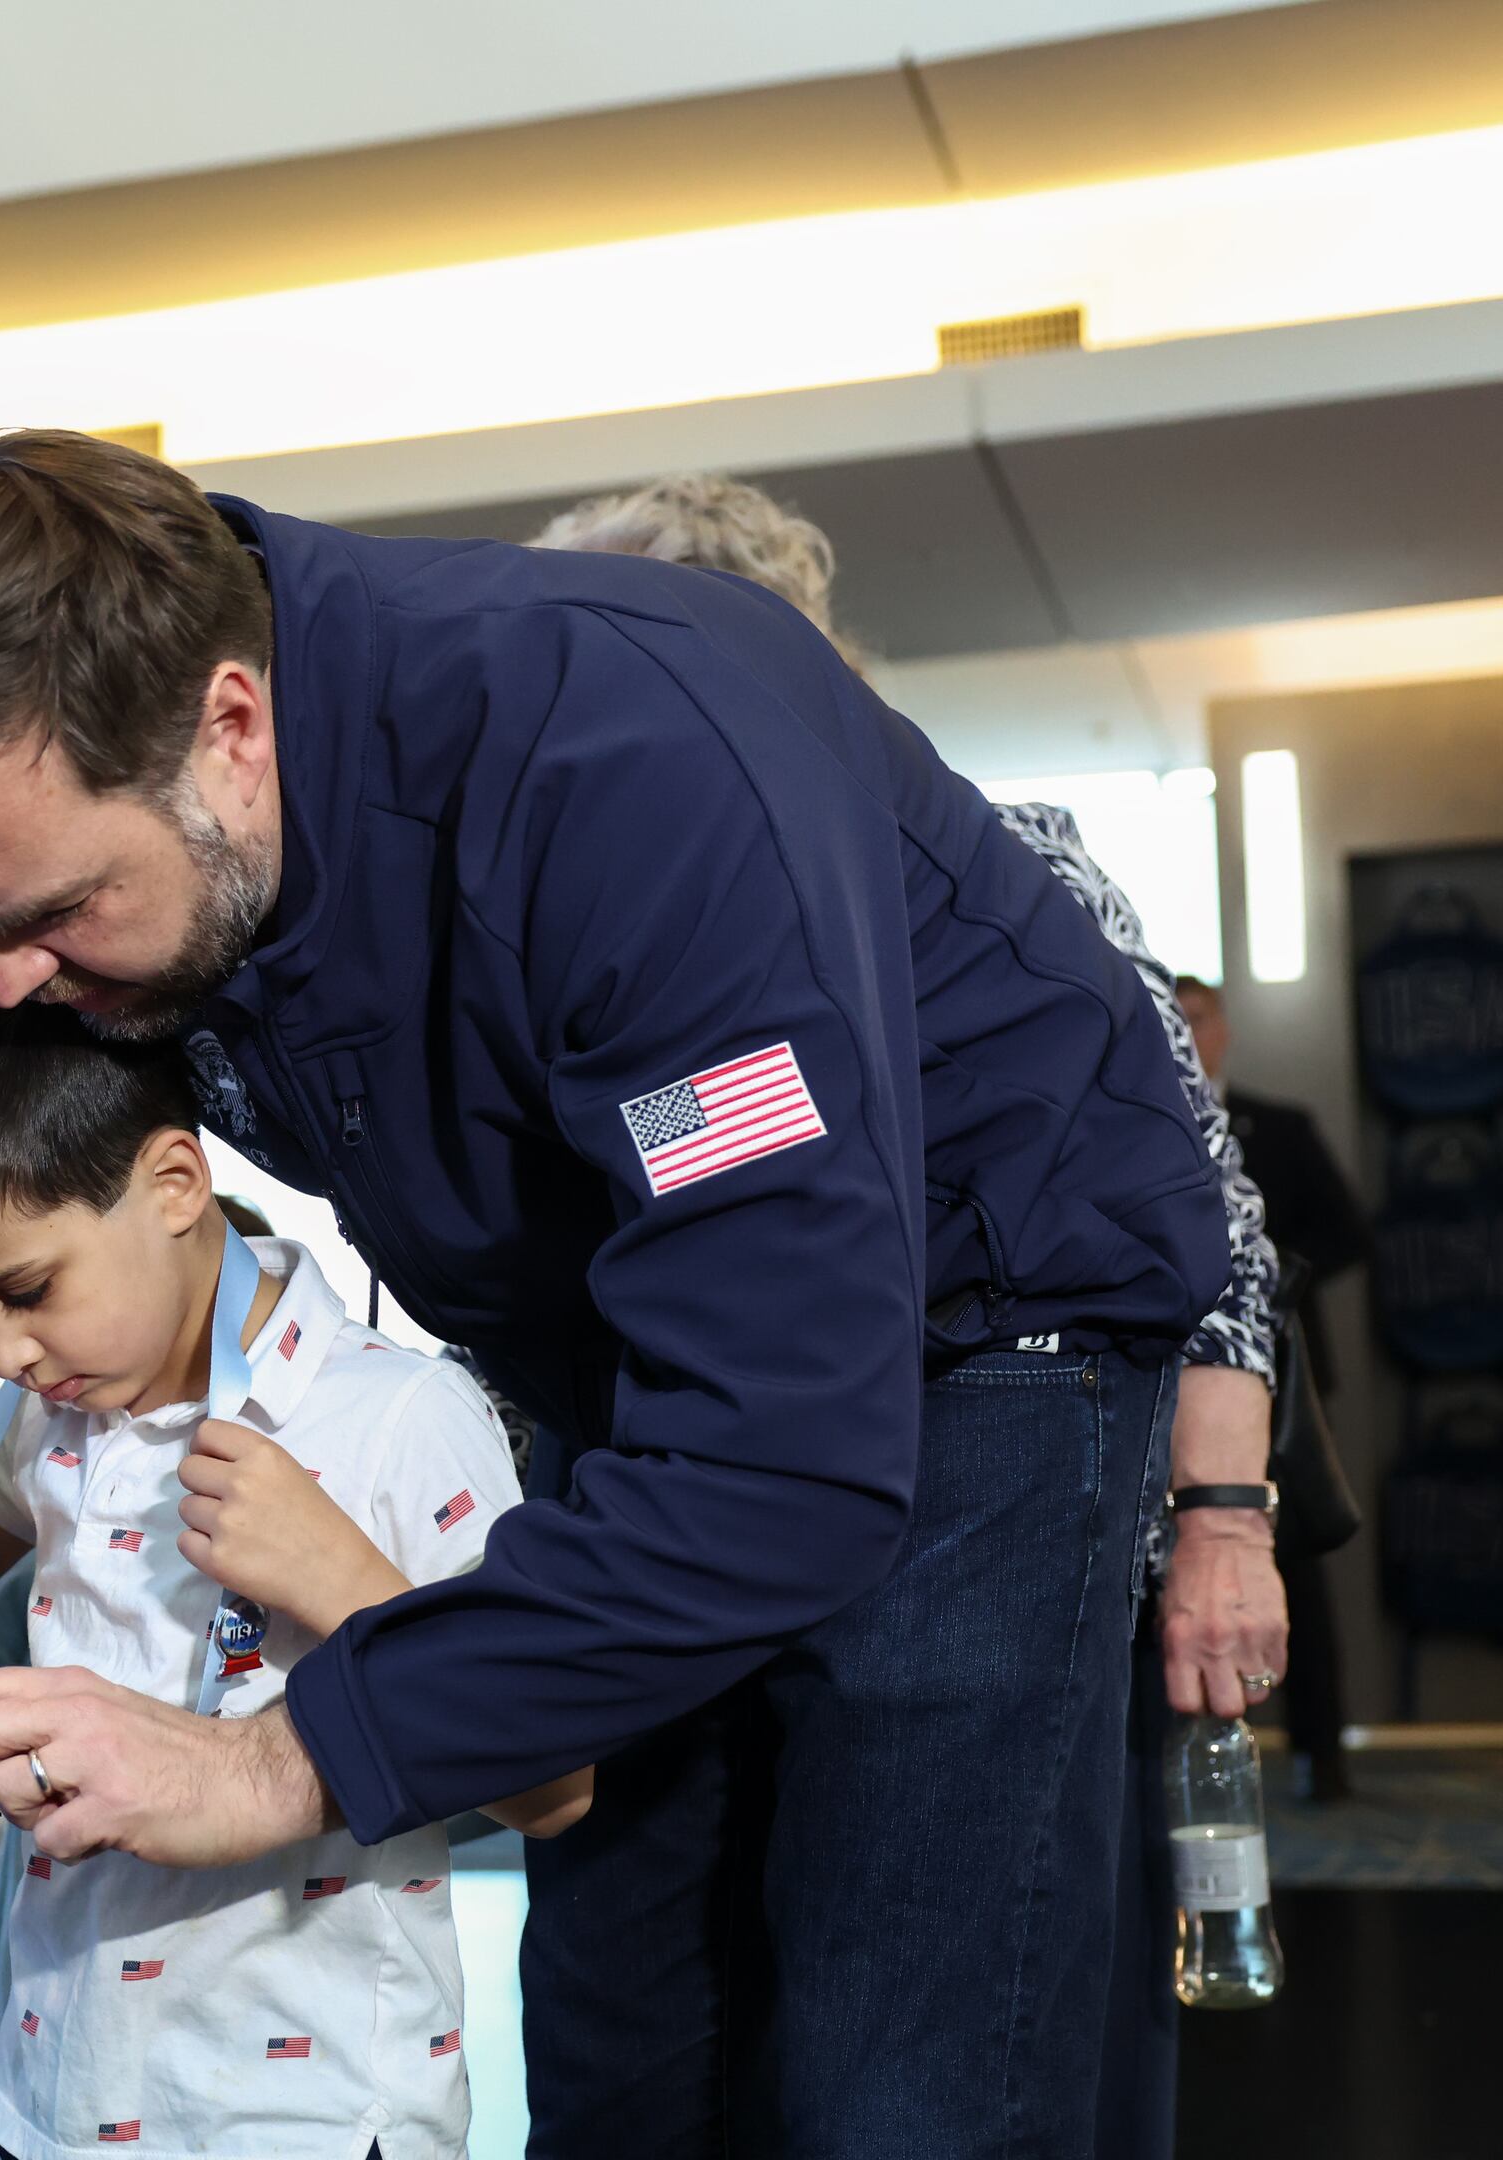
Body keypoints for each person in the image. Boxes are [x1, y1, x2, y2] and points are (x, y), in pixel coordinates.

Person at [0, 429, 1235, 2158]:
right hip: (638, 1350)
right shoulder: (82, 826)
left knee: (887, 2072)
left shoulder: (630, 772)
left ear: (228, 730)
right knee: (626, 2055)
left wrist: (268, 1762)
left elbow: (782, 1451)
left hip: (974, 1332)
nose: (5, 982)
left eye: (54, 915)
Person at [534, 469, 1289, 2160]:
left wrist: (1225, 1521)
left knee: (965, 2044)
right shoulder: (587, 905)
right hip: (681, 1521)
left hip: (989, 1510)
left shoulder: (1001, 860)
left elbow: (1207, 1217)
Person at [0, 948, 588, 2160]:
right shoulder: (56, 1411)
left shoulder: (400, 1420)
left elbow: (554, 1788)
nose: (8, 1351)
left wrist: (346, 1586)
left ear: (177, 1181)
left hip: (309, 2115)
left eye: (26, 1290)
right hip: (55, 2093)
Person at [1176, 971, 1368, 1802]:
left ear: (1223, 1029)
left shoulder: (1278, 1126)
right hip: (1167, 1380)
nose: (1183, 1028)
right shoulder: (1135, 1112)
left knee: (1292, 1568)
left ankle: (1321, 1753)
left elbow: (1349, 1230)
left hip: (1274, 1374)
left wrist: (1262, 1269)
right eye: (1170, 1015)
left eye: (1197, 1015)